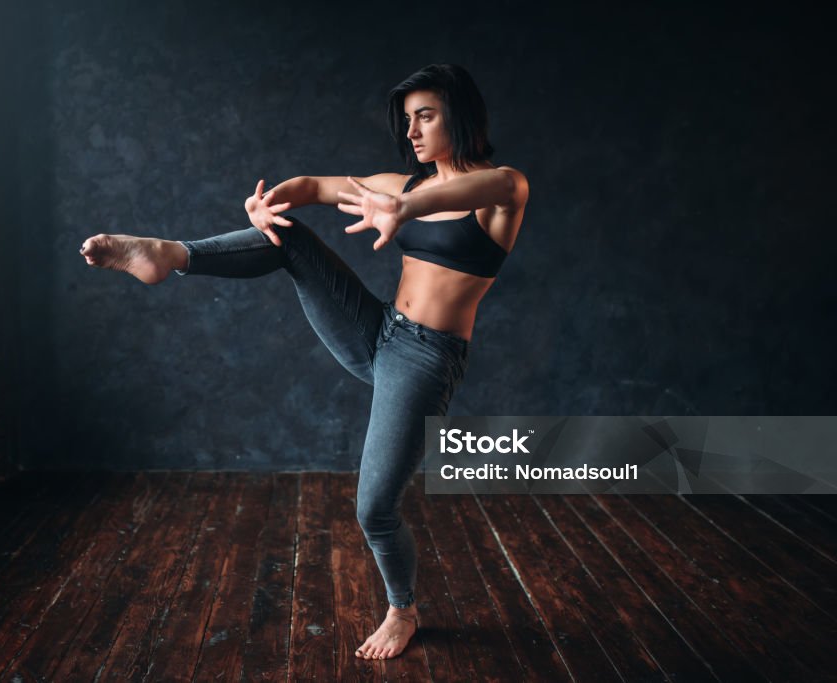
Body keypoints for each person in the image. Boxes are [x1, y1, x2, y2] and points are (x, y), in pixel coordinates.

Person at [80, 63, 528, 660]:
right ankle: (169, 254)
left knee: (374, 508)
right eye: (407, 119)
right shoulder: (399, 184)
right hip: (377, 331)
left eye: (426, 115)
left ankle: (403, 610)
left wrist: (406, 209)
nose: (413, 130)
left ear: (462, 116)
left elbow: (475, 188)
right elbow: (316, 187)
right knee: (287, 238)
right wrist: (268, 202)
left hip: (425, 360)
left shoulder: (502, 189)